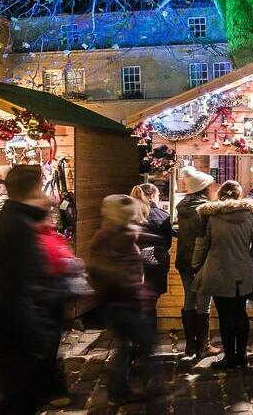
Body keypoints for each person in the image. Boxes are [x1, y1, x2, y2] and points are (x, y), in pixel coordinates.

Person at [0, 165, 72, 415]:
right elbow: (16, 292)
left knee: (18, 397)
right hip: (18, 336)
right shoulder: (20, 230)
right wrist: (39, 339)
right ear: (36, 188)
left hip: (0, 331)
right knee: (20, 401)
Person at [87, 195, 158, 404]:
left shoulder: (111, 235)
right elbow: (106, 270)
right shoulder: (119, 237)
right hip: (124, 302)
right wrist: (132, 284)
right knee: (142, 345)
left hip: (117, 302)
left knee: (126, 346)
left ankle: (120, 392)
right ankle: (145, 389)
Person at [192, 180, 253, 369]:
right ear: (239, 195)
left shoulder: (212, 216)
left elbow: (203, 243)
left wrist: (196, 264)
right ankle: (242, 355)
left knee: (225, 315)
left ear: (220, 195)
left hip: (219, 269)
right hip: (242, 270)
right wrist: (249, 256)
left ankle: (229, 356)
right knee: (241, 313)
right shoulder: (249, 215)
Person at [173, 166, 219, 359]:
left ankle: (190, 345)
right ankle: (204, 345)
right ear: (204, 189)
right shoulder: (206, 210)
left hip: (184, 260)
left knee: (189, 299)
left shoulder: (182, 207)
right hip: (202, 261)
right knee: (204, 303)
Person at [129, 183, 173, 299]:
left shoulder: (128, 214)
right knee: (151, 302)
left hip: (131, 264)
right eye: (158, 196)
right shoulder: (162, 216)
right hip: (154, 264)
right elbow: (167, 243)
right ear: (152, 196)